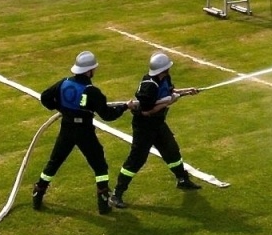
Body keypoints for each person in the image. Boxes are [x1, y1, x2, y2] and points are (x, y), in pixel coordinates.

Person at [33, 51, 132, 215]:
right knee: (99, 165)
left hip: (66, 128)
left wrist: (61, 109)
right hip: (85, 131)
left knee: (54, 162)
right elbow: (108, 115)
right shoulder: (92, 91)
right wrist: (125, 107)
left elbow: (45, 97)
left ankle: (38, 193)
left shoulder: (63, 83)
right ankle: (103, 203)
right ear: (89, 71)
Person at [111, 52, 202, 208]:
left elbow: (171, 92)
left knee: (172, 150)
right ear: (164, 69)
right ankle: (116, 194)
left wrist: (187, 91)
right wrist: (169, 102)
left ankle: (182, 179)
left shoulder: (164, 78)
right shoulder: (149, 87)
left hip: (158, 123)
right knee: (137, 160)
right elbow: (147, 111)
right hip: (145, 126)